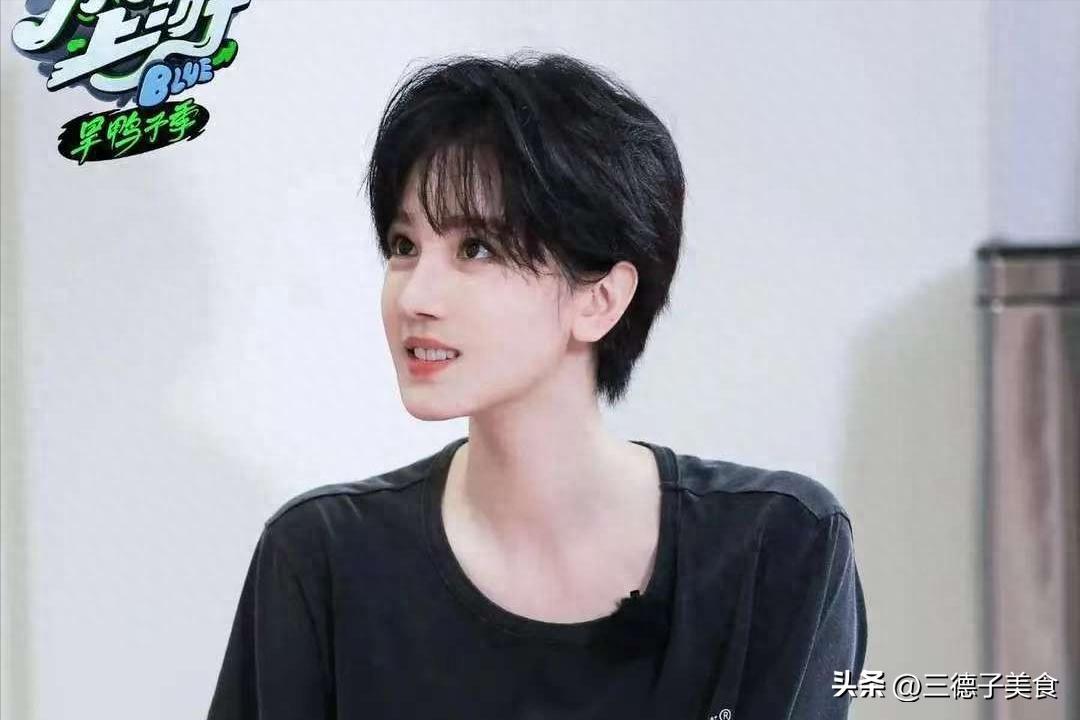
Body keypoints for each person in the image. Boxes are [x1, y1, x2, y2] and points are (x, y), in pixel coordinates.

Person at [206, 51, 867, 720]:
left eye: (476, 248)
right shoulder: (322, 557)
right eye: (405, 246)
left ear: (600, 299)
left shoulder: (779, 547)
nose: (415, 296)